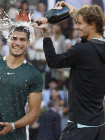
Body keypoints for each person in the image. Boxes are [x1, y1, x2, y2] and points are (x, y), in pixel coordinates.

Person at [34, 1, 105, 140]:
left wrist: (46, 32)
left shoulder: (81, 51)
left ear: (93, 24)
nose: (76, 27)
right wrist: (76, 14)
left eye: (79, 23)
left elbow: (53, 61)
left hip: (79, 127)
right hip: (99, 126)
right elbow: (94, 36)